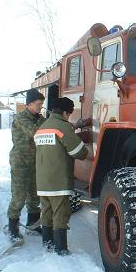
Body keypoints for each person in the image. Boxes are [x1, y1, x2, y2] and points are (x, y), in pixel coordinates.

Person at [34, 97, 88, 255]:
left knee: (47, 213)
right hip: (58, 181)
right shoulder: (62, 127)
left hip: (42, 181)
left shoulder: (42, 128)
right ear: (65, 112)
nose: (69, 117)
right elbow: (79, 152)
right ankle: (61, 249)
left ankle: (48, 244)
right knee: (60, 215)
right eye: (69, 114)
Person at [7, 88, 46, 240]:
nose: (40, 106)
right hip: (20, 163)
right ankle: (13, 229)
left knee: (34, 197)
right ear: (29, 104)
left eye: (42, 104)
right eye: (38, 104)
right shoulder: (21, 118)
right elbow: (36, 132)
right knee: (19, 197)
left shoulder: (39, 118)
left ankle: (33, 226)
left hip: (35, 163)